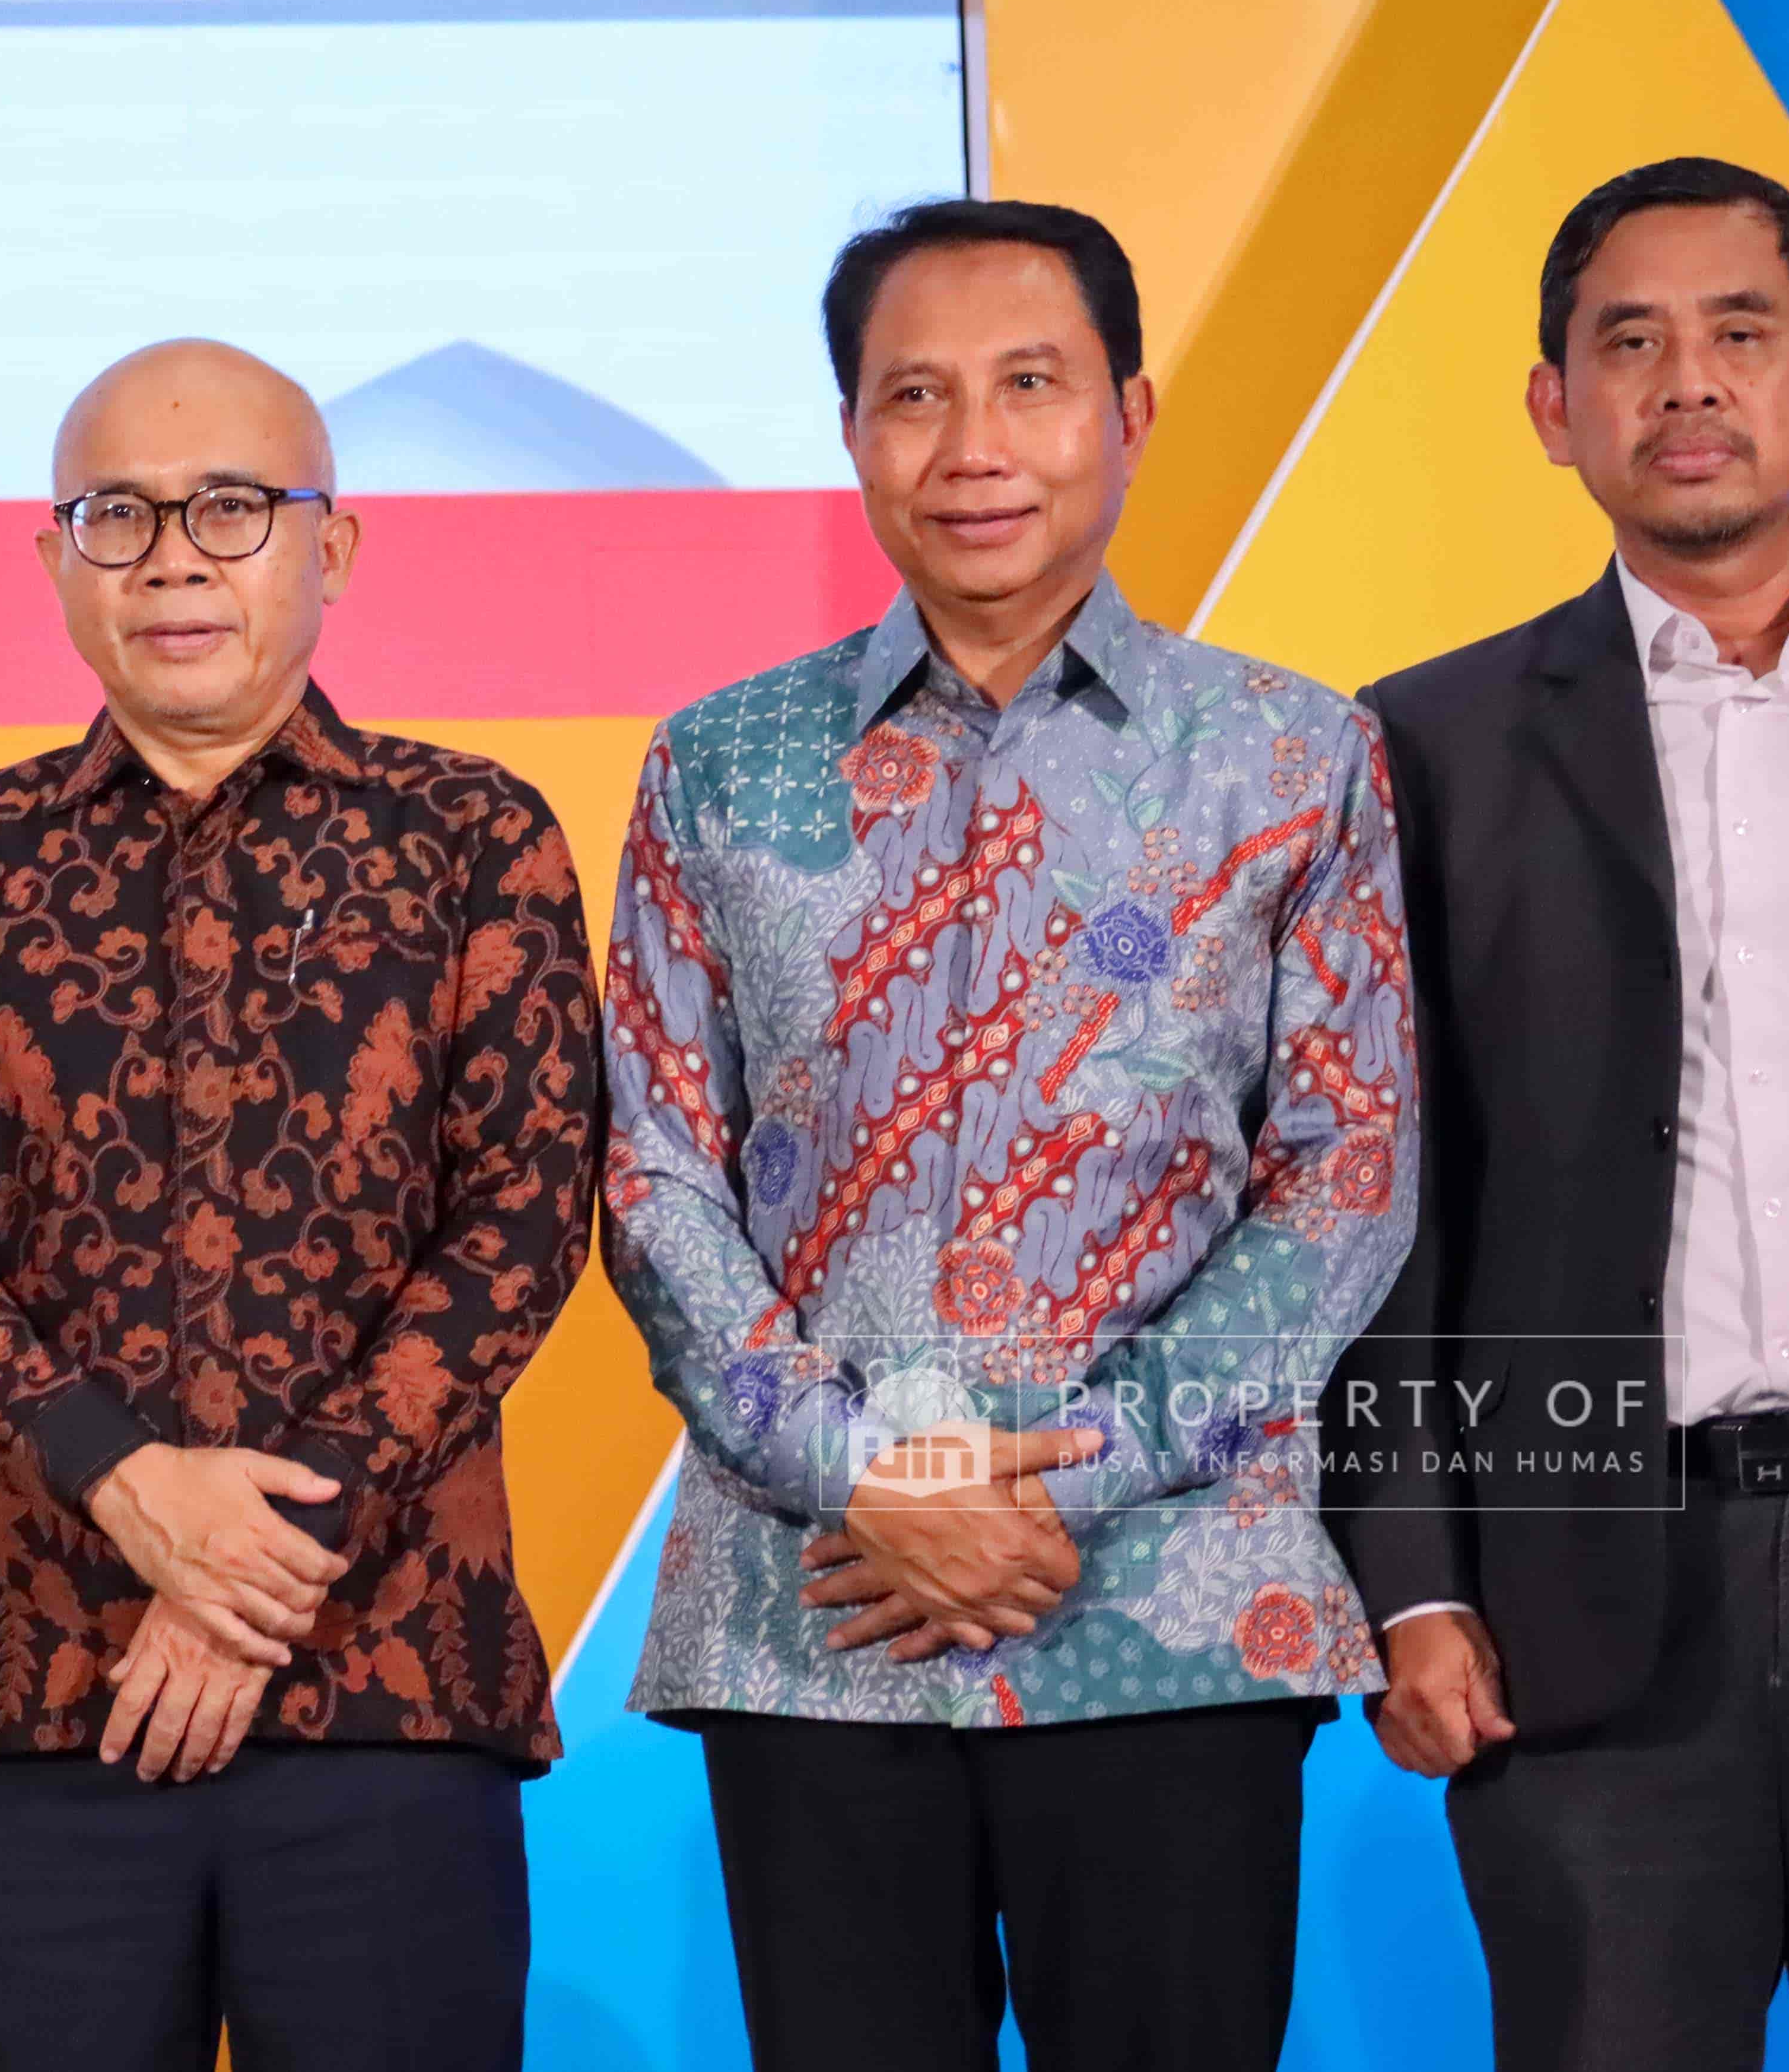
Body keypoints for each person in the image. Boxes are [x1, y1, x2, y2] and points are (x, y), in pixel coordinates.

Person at [604, 199, 1416, 2072]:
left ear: (1127, 412)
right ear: (850, 434)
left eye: (1027, 384)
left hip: (1170, 1603)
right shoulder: (718, 760)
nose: (970, 446)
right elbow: (648, 1169)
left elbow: (1346, 1168)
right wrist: (859, 1471)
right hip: (816, 1603)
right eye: (914, 396)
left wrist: (1070, 1476)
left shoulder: (1292, 755)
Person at [0, 339, 599, 2072]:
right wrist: (126, 1482)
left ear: (335, 545)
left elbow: (525, 1215)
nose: (172, 558)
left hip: (390, 1684)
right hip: (44, 1693)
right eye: (119, 515)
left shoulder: (472, 836)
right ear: (54, 561)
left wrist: (255, 1561)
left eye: (231, 509)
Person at [1336, 156, 1789, 2070]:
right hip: (1586, 1575)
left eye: (1739, 332)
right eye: (1626, 342)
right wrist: (1410, 1576)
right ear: (1550, 407)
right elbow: (1371, 1209)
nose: (1686, 382)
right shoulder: (1416, 747)